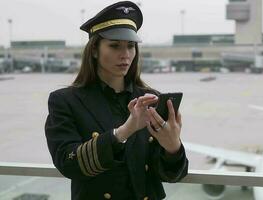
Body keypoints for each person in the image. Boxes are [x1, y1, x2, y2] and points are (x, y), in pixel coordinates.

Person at [44, 1, 188, 200]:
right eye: (114, 46)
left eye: (130, 46)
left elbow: (170, 175)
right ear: (94, 50)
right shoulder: (65, 101)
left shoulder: (151, 99)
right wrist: (123, 132)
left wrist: (173, 147)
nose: (125, 54)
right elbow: (67, 163)